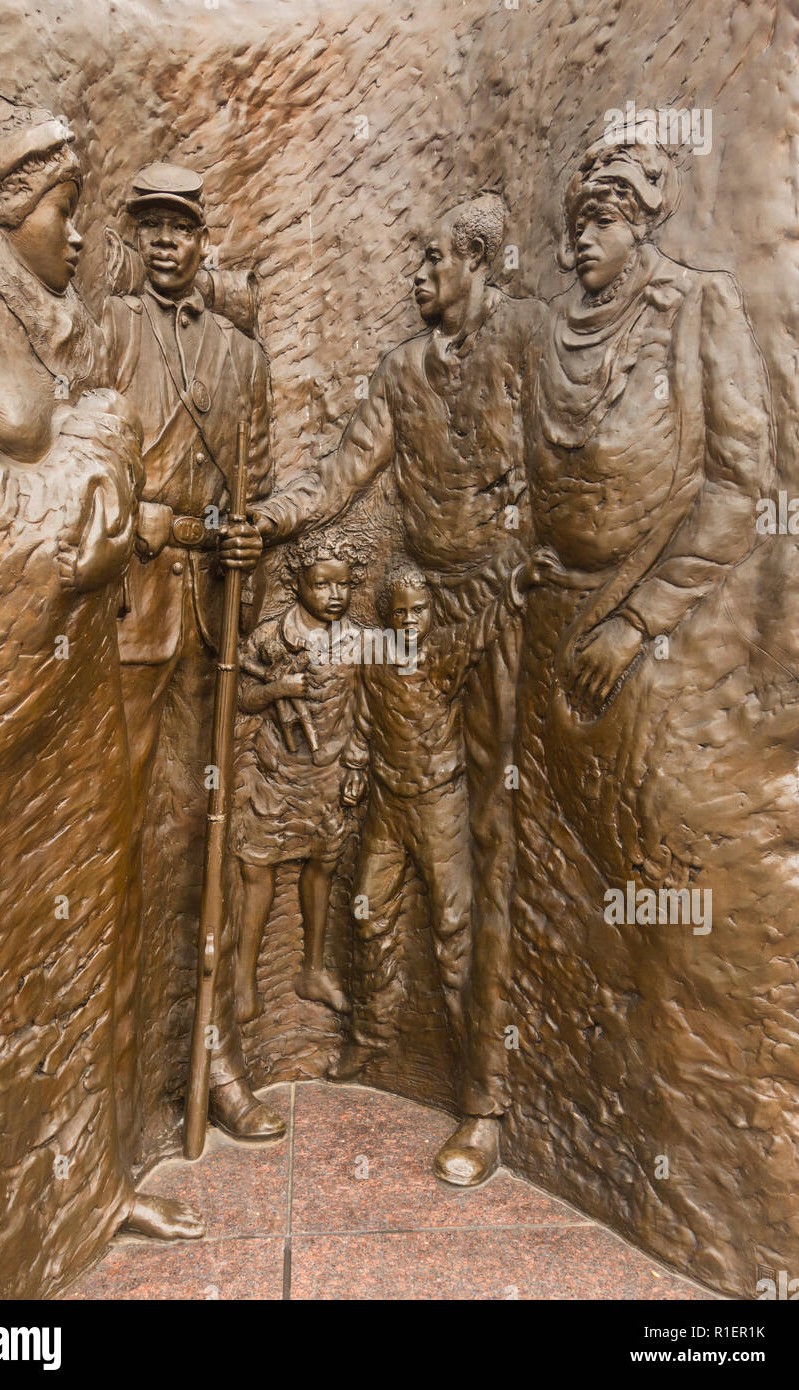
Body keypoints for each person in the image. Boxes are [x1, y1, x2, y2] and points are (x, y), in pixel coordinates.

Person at [511, 125, 799, 1281]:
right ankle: (575, 1096)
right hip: (552, 631)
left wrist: (636, 619)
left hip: (647, 640)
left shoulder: (695, 311)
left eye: (596, 222)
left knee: (660, 886)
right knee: (568, 877)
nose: (578, 244)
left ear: (638, 220)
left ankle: (687, 1135)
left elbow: (738, 483)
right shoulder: (557, 328)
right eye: (570, 226)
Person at [0, 91, 200, 1299]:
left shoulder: (64, 317)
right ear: (11, 201)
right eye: (65, 207)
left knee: (93, 928)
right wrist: (89, 473)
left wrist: (101, 473)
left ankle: (88, 1184)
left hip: (77, 682)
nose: (79, 233)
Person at [251, 193, 546, 1185]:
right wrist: (271, 518)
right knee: (404, 860)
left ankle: (484, 1102)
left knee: (487, 855)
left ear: (477, 262)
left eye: (432, 259)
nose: (417, 276)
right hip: (425, 609)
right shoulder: (400, 372)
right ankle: (385, 1044)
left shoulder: (525, 340)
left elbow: (574, 454)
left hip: (500, 613)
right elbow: (340, 473)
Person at [102, 162, 286, 1145]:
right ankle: (119, 1077)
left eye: (180, 225)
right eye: (152, 226)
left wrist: (241, 545)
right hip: (133, 613)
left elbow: (255, 486)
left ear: (203, 238)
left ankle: (213, 1057)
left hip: (211, 622)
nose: (166, 240)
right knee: (130, 839)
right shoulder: (107, 331)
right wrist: (132, 513)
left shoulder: (241, 358)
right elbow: (76, 461)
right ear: (136, 236)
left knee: (207, 837)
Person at [335, 559, 522, 1105]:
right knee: (366, 911)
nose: (410, 621)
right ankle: (370, 1036)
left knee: (452, 928)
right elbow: (367, 717)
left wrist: (512, 592)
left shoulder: (442, 654)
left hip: (440, 806)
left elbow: (481, 630)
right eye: (399, 613)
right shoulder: (376, 661)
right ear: (386, 617)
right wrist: (355, 764)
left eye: (418, 610)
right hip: (387, 806)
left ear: (431, 612)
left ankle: (471, 1063)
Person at [231, 534, 367, 1023]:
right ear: (298, 585)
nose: (334, 595)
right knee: (256, 869)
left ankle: (313, 970)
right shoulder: (270, 637)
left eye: (343, 585)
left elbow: (368, 708)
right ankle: (242, 982)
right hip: (276, 774)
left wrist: (356, 764)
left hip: (328, 774)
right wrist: (278, 689)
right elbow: (242, 697)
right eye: (322, 584)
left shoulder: (360, 643)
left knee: (323, 865)